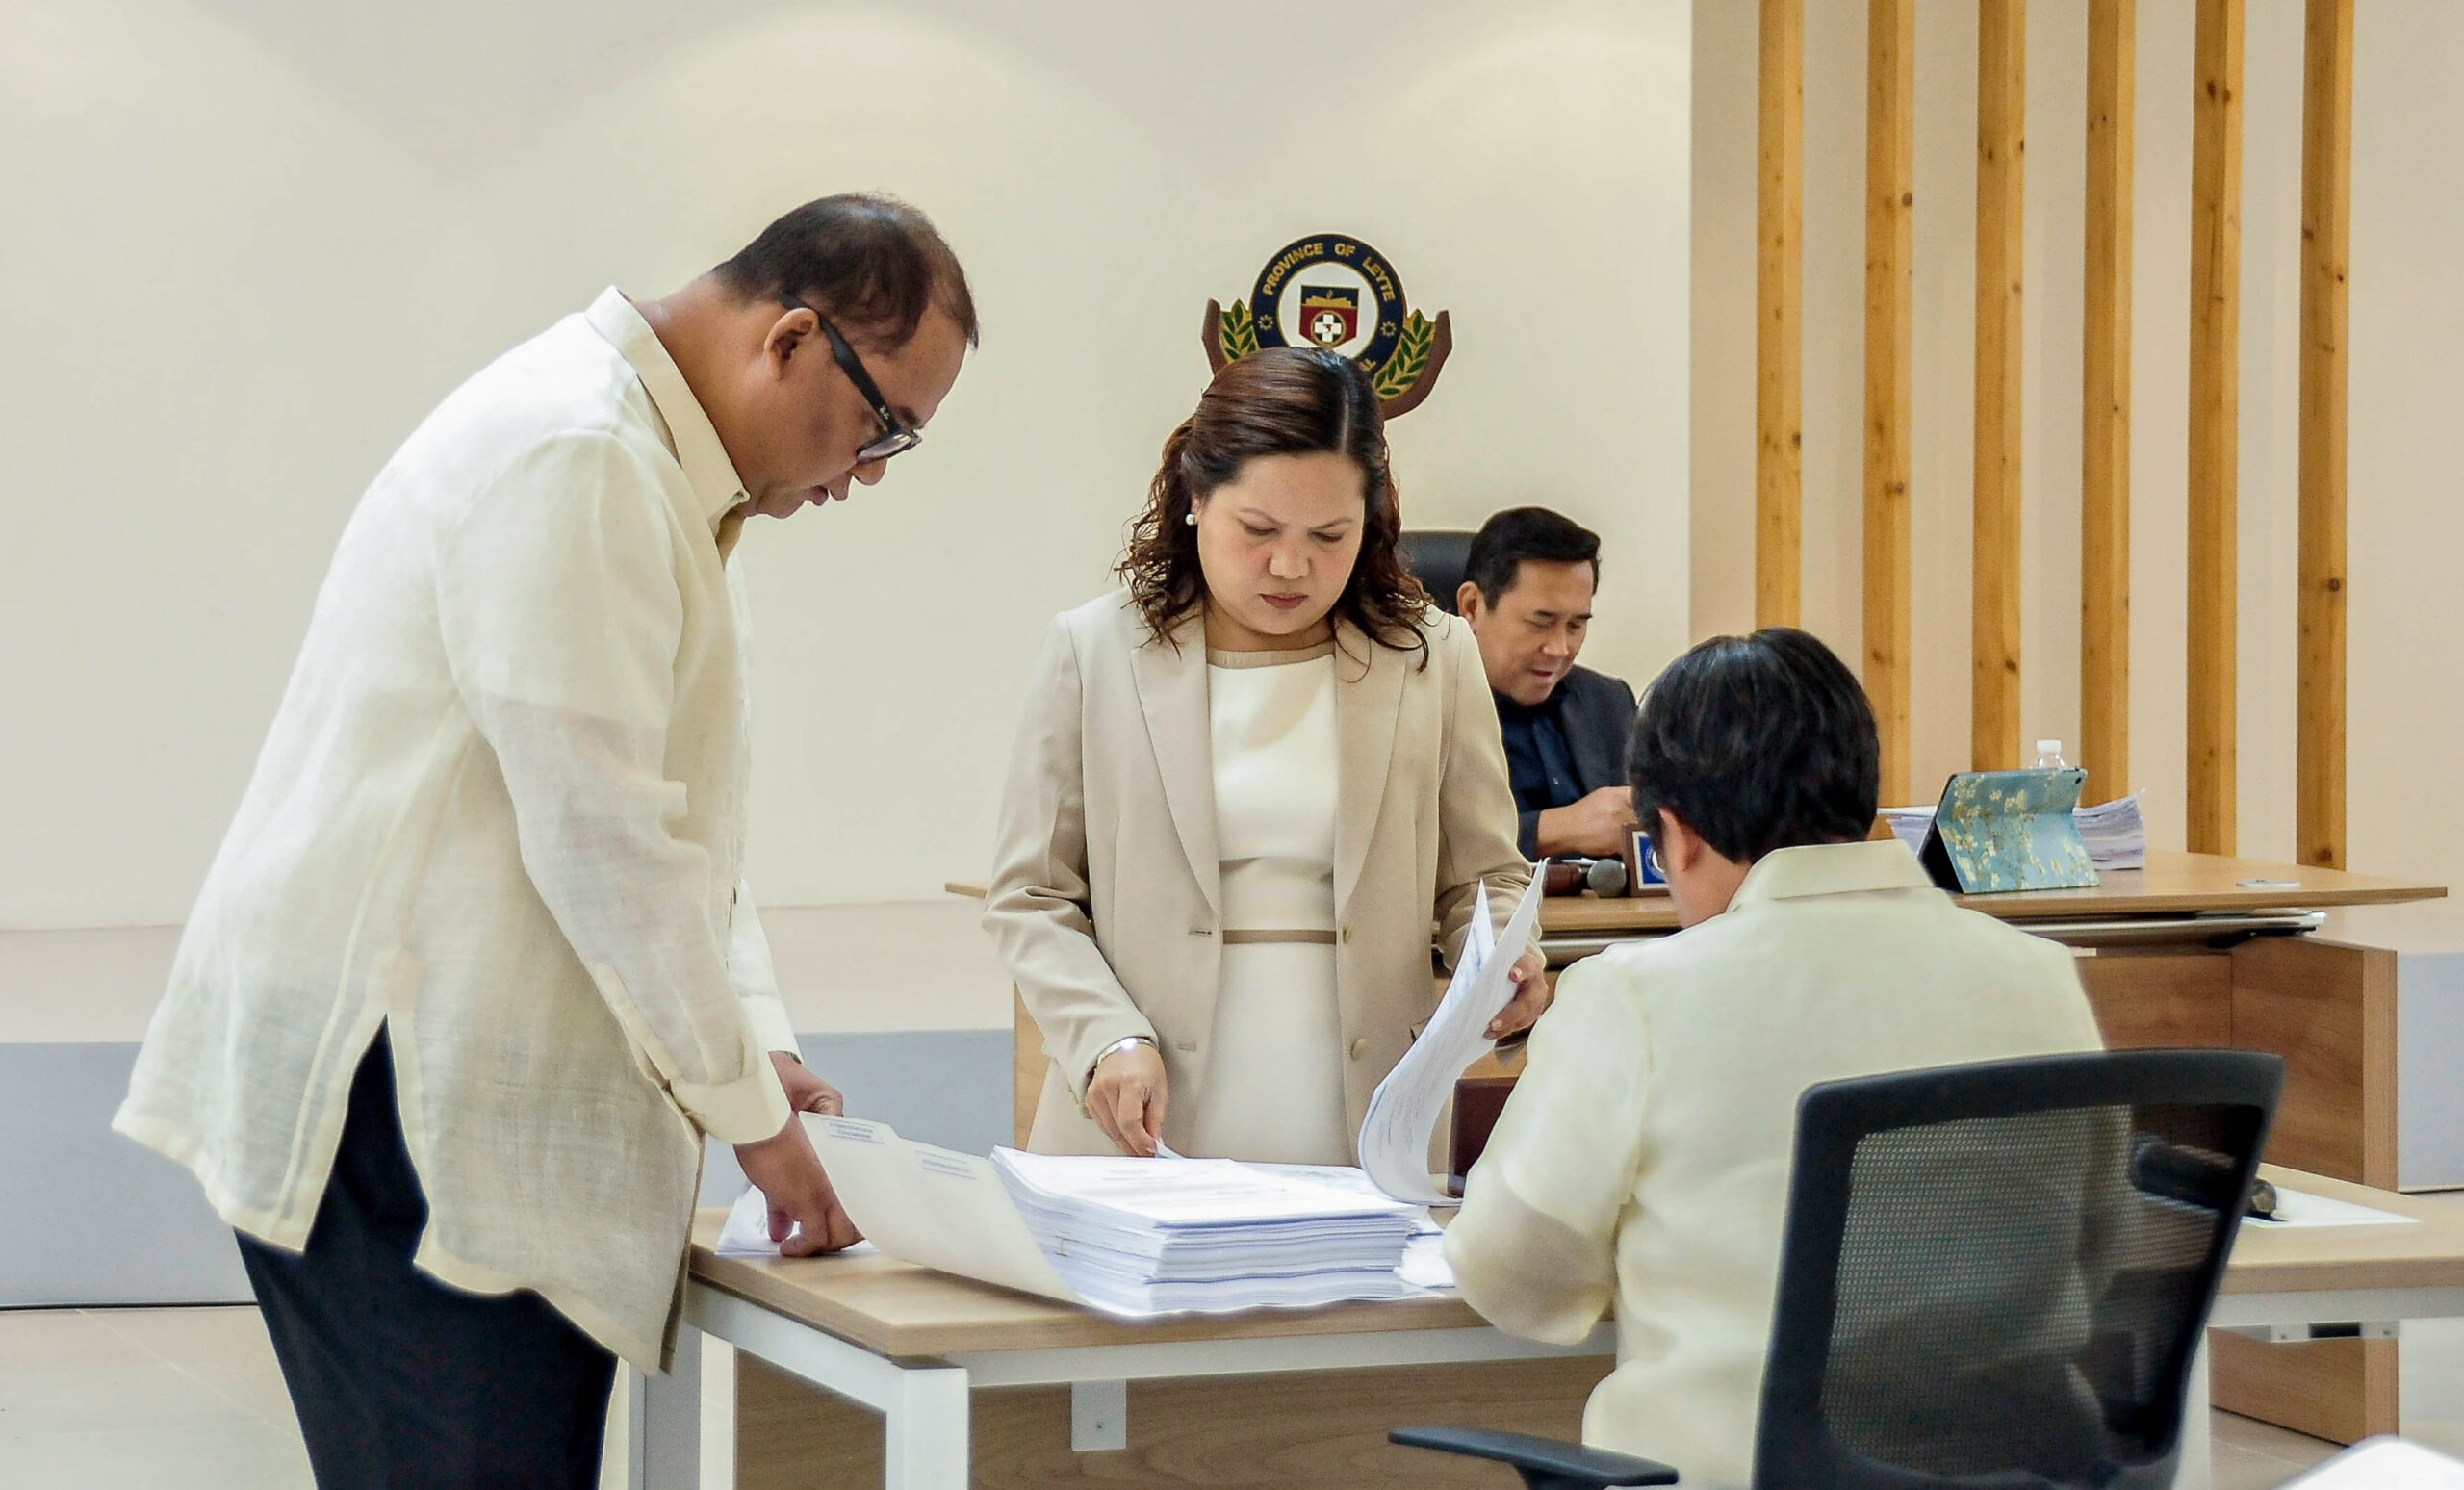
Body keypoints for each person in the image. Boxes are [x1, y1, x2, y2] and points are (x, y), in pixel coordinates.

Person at [112, 193, 975, 1487]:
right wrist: (748, 1115)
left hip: (448, 1096)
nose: (865, 472)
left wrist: (755, 1046)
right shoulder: (577, 453)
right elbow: (605, 840)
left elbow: (675, 820)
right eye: (885, 427)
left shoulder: (640, 457)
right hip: (400, 1104)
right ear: (791, 340)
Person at [1443, 628, 2106, 1488]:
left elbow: (1515, 1283)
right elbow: (2095, 1246)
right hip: (2011, 1467)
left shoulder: (1636, 996)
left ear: (1675, 837)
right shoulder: (2042, 977)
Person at [984, 347, 1547, 1165]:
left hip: (1364, 1114)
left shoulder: (1432, 657)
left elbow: (1482, 879)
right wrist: (1103, 1037)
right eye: (1257, 531)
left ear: (1372, 520)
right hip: (1144, 1110)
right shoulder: (1095, 650)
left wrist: (1500, 961)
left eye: (1330, 534)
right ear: (1193, 499)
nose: (1292, 566)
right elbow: (1031, 895)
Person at [1454, 506, 1639, 860]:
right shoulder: (1419, 705)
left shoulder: (1609, 702)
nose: (1560, 649)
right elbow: (1420, 842)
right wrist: (1553, 829)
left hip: (1615, 914)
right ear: (1472, 606)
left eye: (1576, 625)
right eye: (1541, 622)